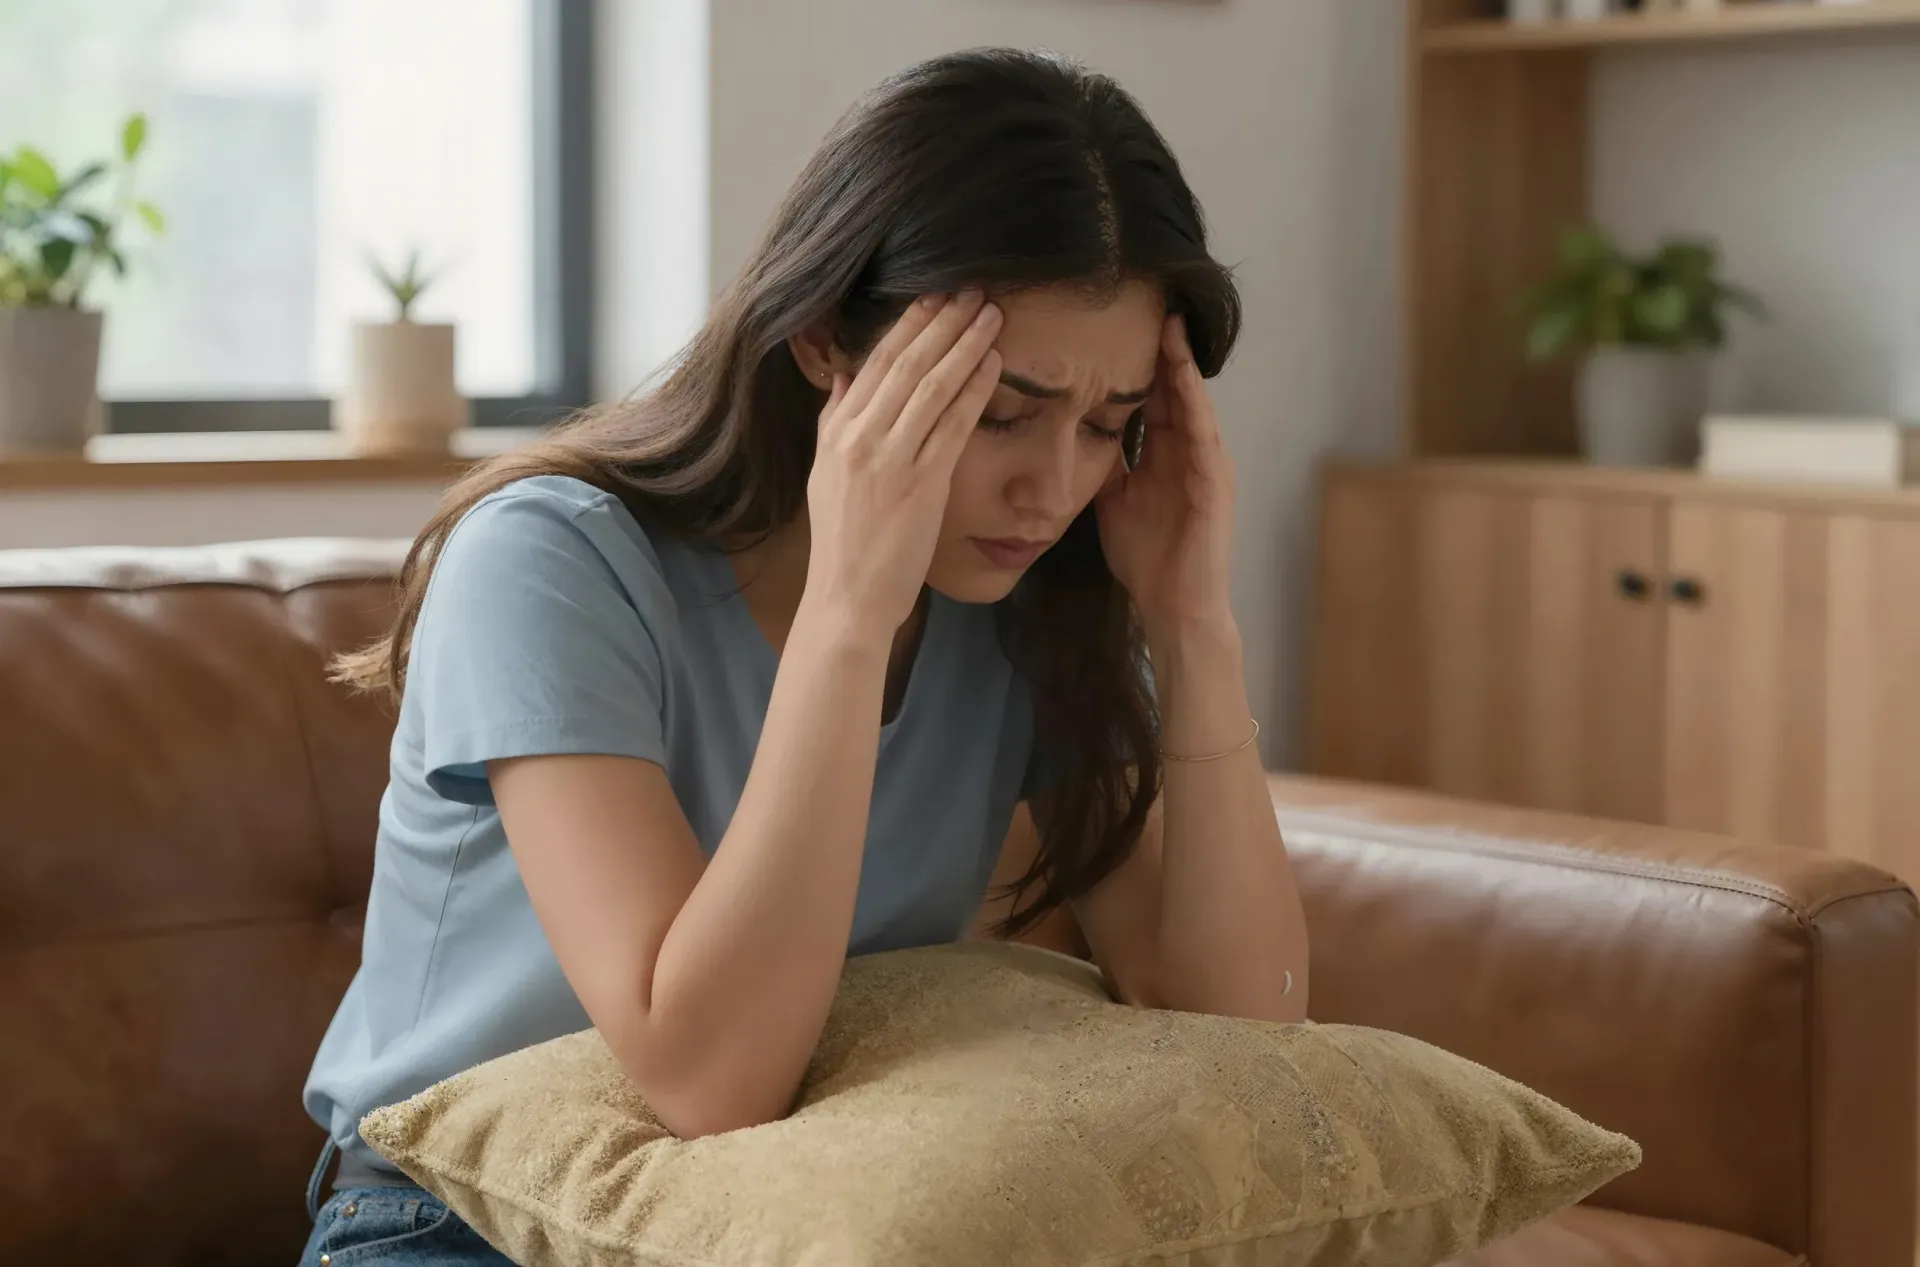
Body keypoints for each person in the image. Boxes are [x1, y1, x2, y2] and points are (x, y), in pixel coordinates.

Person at [296, 46, 1309, 1267]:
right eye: (1000, 413)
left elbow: (1248, 1029)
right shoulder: (549, 561)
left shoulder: (1034, 597)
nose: (1054, 485)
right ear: (829, 338)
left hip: (785, 1224)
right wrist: (847, 612)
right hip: (457, 1225)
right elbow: (705, 1076)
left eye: (1110, 424)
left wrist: (1194, 621)